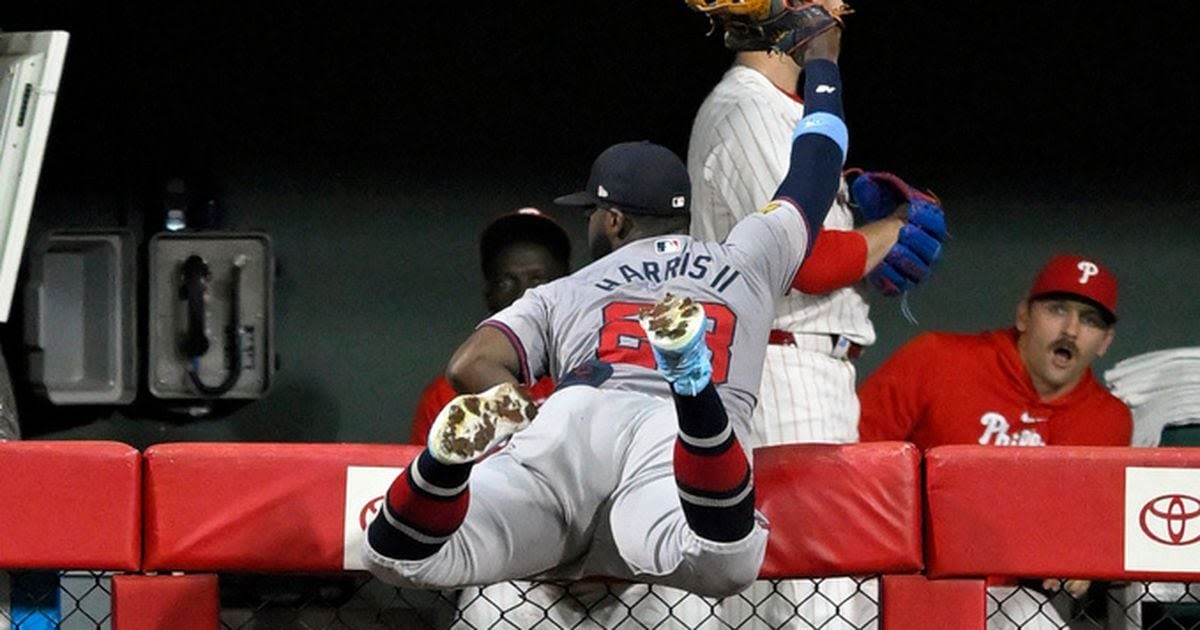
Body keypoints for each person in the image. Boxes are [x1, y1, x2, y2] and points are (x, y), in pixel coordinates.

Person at [364, 26, 849, 605]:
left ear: (613, 220)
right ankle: (693, 383)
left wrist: (525, 407)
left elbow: (470, 364)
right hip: (675, 443)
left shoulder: (566, 289)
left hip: (575, 420)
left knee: (399, 557)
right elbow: (817, 162)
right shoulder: (748, 257)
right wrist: (822, 63)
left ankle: (441, 468)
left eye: (594, 211)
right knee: (720, 560)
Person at [684, 27, 945, 630]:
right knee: (818, 603)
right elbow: (804, 259)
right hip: (782, 369)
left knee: (805, 600)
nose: (838, 12)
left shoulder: (779, 111)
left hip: (806, 369)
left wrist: (854, 202)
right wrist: (897, 228)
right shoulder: (747, 106)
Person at [858, 253, 1133, 630]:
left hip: (1008, 595)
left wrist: (1084, 558)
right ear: (1024, 316)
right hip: (895, 577)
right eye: (1057, 310)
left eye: (1090, 320)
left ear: (1105, 341)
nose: (1071, 329)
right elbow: (854, 461)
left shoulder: (1108, 422)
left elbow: (1096, 526)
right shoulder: (936, 359)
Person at [408, 207, 570, 445]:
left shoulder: (592, 377)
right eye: (507, 281)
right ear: (489, 293)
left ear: (569, 287)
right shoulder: (446, 394)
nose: (524, 296)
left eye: (540, 282)